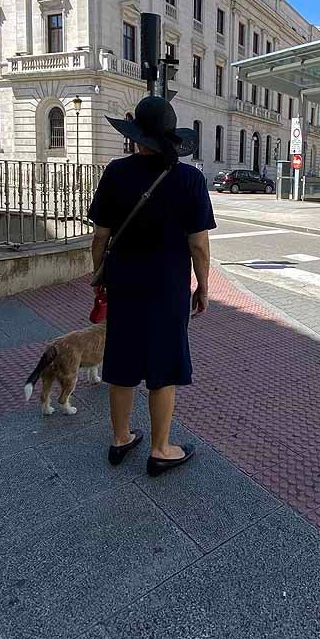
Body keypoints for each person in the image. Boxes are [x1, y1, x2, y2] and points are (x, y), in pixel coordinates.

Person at [89, 96, 216, 477]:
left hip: (124, 283)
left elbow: (99, 237)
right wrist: (204, 286)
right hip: (168, 287)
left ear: (136, 137)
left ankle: (120, 438)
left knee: (122, 360)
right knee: (164, 364)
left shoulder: (116, 171)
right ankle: (161, 449)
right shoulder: (190, 179)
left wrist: (100, 276)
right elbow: (199, 245)